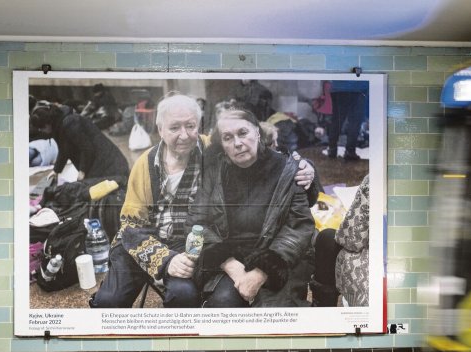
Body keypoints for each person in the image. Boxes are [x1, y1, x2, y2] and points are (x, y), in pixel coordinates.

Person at [89, 94, 319, 308]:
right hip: (142, 243)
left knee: (184, 295)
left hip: (188, 242)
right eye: (174, 127)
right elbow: (131, 228)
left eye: (190, 126)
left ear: (198, 126)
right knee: (110, 301)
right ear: (160, 129)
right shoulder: (145, 164)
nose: (184, 135)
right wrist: (166, 259)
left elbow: (263, 148)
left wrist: (308, 168)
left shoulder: (212, 147)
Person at [187, 107, 315, 308]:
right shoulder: (215, 171)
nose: (237, 143)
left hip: (278, 259)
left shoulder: (287, 169)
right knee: (221, 306)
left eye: (243, 133)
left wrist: (262, 271)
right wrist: (229, 264)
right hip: (230, 260)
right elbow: (197, 222)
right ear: (222, 144)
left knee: (274, 318)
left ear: (257, 131)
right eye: (228, 138)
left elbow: (299, 226)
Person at [309, 174, 370, 306]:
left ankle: (322, 309)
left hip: (372, 283)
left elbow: (351, 239)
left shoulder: (374, 180)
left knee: (327, 238)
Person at [30, 103, 130, 181]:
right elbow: (64, 150)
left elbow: (87, 148)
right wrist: (56, 170)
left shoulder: (70, 123)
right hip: (100, 160)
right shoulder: (58, 124)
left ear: (47, 124)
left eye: (41, 129)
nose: (41, 132)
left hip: (109, 165)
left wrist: (82, 170)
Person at [327, 80, 369, 161]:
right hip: (358, 87)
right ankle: (350, 151)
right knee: (355, 121)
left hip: (338, 87)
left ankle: (332, 149)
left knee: (337, 119)